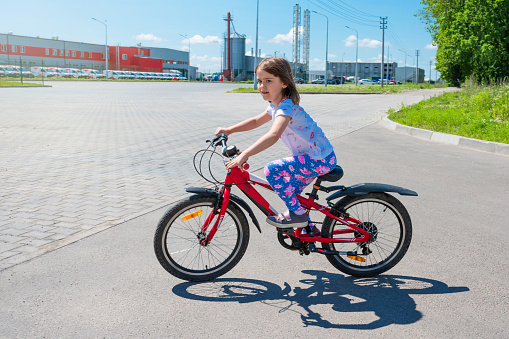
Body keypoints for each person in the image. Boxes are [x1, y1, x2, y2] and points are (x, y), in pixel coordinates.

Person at [215, 57, 336, 228]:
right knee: (291, 193)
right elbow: (256, 121)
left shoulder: (286, 108)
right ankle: (307, 229)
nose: (262, 86)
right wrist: (229, 130)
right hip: (316, 157)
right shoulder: (275, 106)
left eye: (268, 81)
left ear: (284, 83)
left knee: (272, 169)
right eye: (259, 81)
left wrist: (245, 154)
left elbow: (273, 134)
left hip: (320, 159)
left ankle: (299, 216)